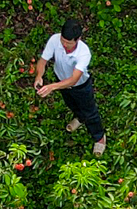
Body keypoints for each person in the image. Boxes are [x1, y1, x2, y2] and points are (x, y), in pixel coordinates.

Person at [33, 19, 105, 156]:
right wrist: (39, 76)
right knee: (71, 104)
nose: (64, 45)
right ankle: (80, 118)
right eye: (63, 41)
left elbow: (73, 79)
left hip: (80, 86)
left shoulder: (84, 53)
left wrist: (52, 87)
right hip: (61, 82)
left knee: (90, 111)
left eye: (69, 43)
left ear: (78, 39)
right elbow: (43, 61)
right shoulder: (55, 40)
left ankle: (99, 138)